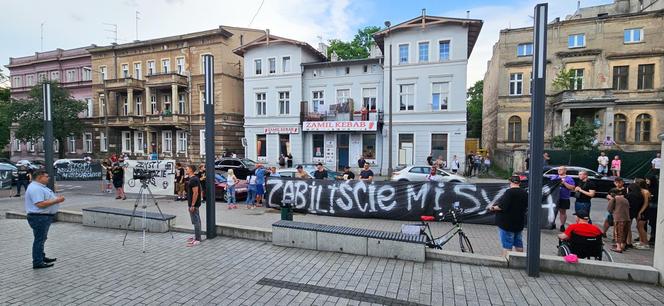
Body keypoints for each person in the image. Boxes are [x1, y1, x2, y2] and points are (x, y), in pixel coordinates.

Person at [24, 170, 65, 269]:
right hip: (39, 217)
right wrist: (57, 200)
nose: (48, 178)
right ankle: (38, 262)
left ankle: (41, 257)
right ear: (39, 177)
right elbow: (40, 204)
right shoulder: (35, 188)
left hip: (41, 217)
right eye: (46, 176)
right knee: (39, 239)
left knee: (41, 239)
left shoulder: (39, 187)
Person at [488, 176, 528, 257]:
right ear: (519, 183)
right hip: (519, 222)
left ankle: (505, 261)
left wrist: (492, 208)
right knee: (518, 243)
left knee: (507, 244)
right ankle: (520, 261)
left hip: (507, 223)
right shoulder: (525, 192)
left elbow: (502, 206)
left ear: (510, 182)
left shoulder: (509, 192)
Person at [548, 166, 576, 232]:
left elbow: (572, 188)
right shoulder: (554, 177)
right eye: (558, 169)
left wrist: (564, 183)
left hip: (564, 197)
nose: (559, 170)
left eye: (561, 169)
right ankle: (552, 223)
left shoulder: (569, 178)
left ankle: (562, 225)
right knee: (553, 211)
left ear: (565, 171)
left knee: (562, 212)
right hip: (554, 197)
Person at [184, 165, 202, 246]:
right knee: (197, 220)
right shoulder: (193, 179)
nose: (185, 169)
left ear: (191, 170)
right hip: (193, 203)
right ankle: (197, 237)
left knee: (196, 221)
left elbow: (196, 192)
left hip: (194, 204)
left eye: (187, 169)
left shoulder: (194, 179)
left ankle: (197, 239)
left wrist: (192, 205)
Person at [625, 182, 643, 249]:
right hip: (635, 212)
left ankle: (628, 242)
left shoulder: (629, 195)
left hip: (628, 212)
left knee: (627, 228)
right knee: (629, 227)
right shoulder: (640, 196)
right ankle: (629, 242)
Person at [635, 179, 651, 249]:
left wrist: (640, 212)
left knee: (640, 226)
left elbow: (646, 203)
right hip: (640, 210)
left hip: (644, 210)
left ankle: (646, 243)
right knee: (638, 226)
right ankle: (641, 241)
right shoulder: (640, 191)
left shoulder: (645, 192)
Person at [646, 175, 658, 246]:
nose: (647, 182)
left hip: (653, 207)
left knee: (653, 222)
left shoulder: (655, 188)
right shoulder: (648, 187)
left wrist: (651, 197)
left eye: (648, 180)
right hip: (649, 206)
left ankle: (653, 237)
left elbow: (655, 197)